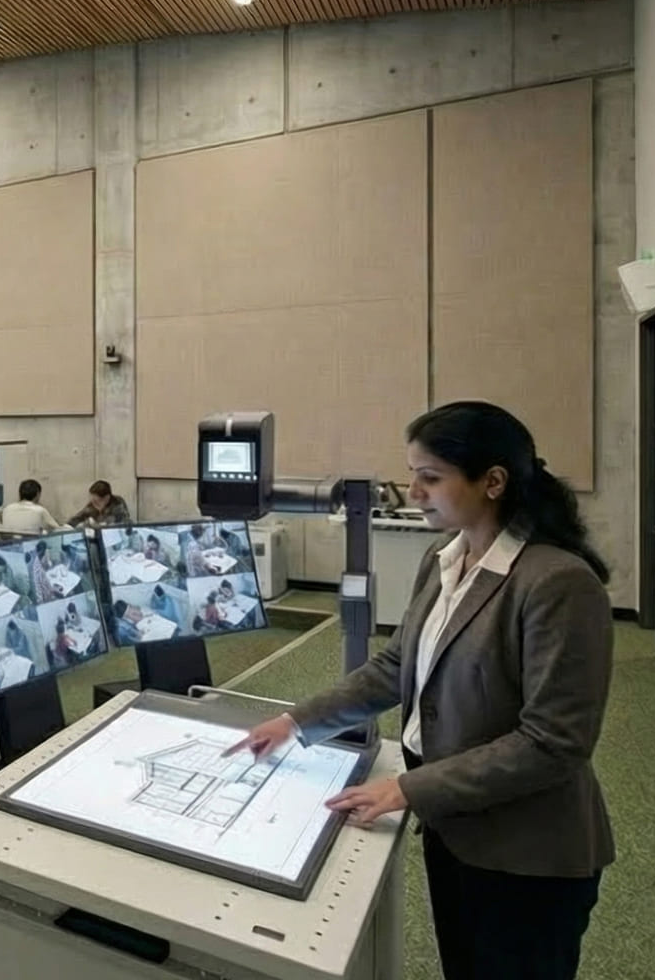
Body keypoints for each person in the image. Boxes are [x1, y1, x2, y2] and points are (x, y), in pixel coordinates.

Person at [227, 402, 614, 980]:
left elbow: (553, 742)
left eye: (430, 477)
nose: (412, 492)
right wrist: (296, 722)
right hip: (454, 829)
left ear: (493, 482)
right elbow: (396, 665)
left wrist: (408, 787)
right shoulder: (442, 558)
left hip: (527, 856)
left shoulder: (558, 584)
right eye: (412, 475)